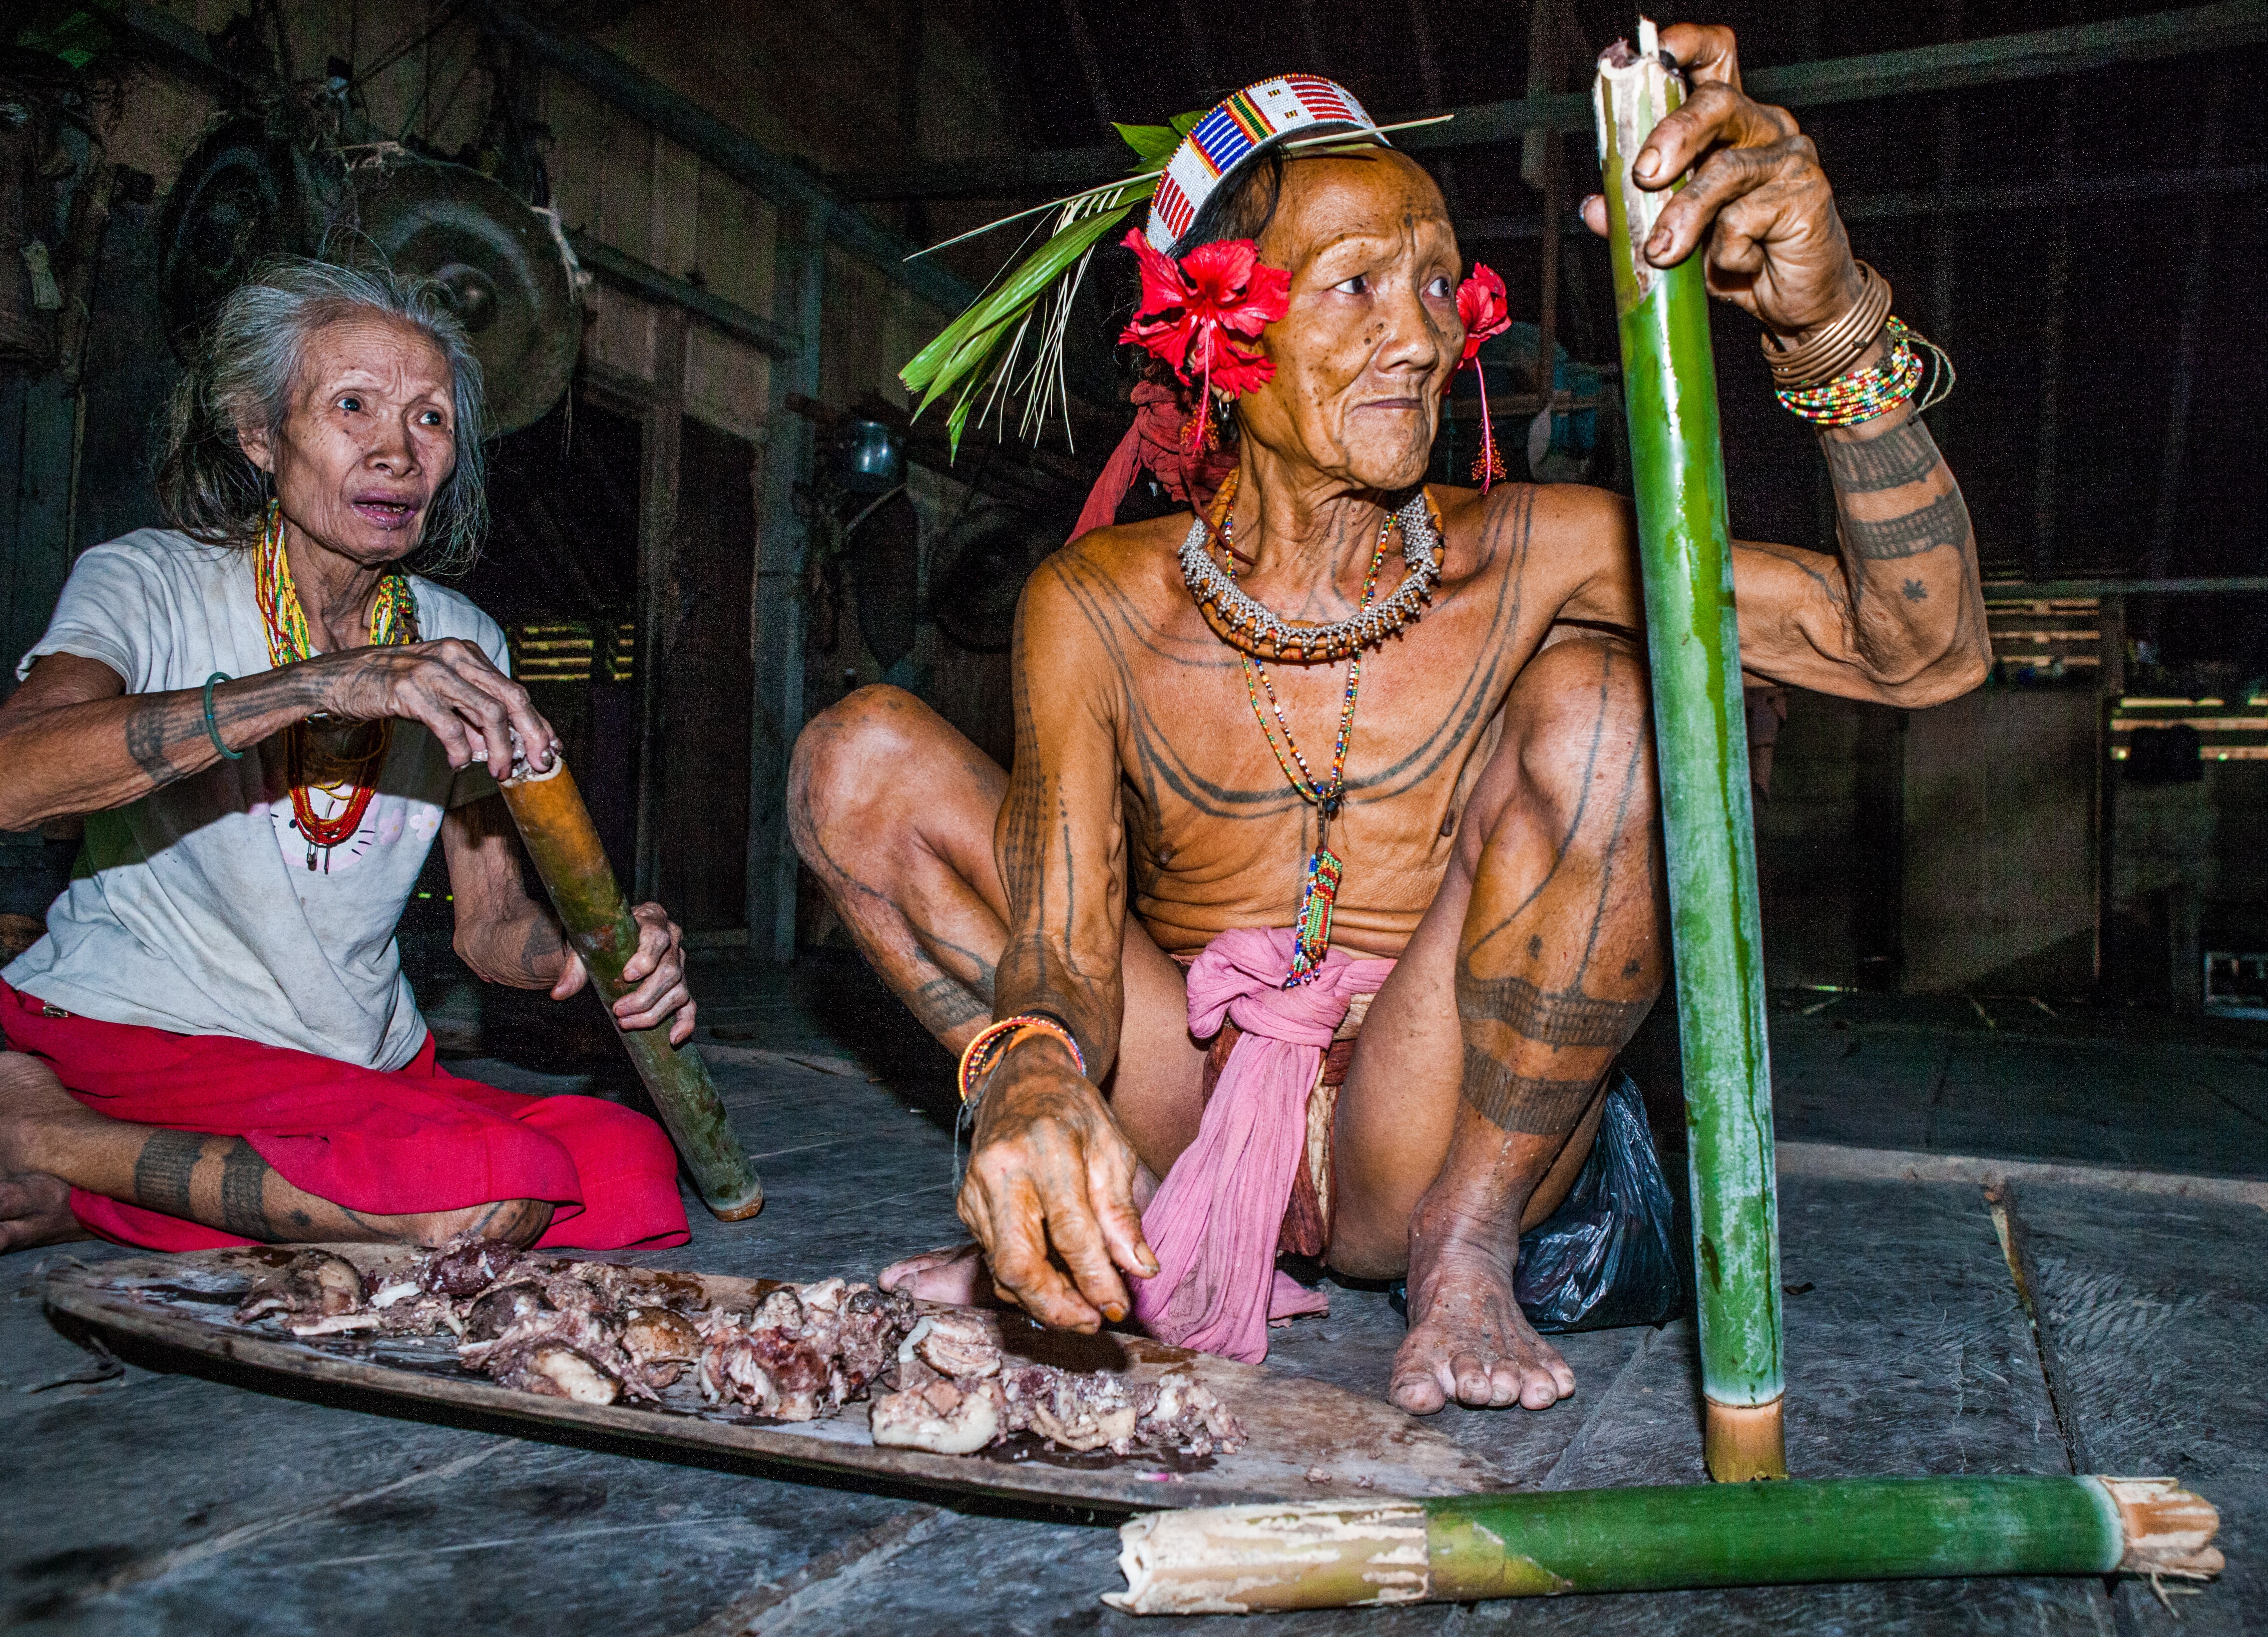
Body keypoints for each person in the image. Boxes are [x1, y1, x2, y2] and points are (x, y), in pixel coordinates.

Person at [794, 29, 1989, 1415]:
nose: (1420, 333)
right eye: (1354, 283)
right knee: (856, 759)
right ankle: (1087, 1198)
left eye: (1435, 282)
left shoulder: (1538, 552)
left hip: (1429, 1123)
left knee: (1616, 706)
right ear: (1217, 334)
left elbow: (1920, 648)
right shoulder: (1096, 602)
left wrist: (1827, 318)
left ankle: (1464, 1251)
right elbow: (1062, 923)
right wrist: (1029, 1078)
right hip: (1179, 1099)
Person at [0, 258, 691, 1259]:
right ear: (262, 435)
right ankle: (23, 1119)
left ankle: (90, 1178)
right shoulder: (150, 579)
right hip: (147, 1029)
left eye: (430, 420)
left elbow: (489, 927)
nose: (395, 450)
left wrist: (587, 956)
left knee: (626, 1170)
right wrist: (314, 688)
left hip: (353, 1059)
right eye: (353, 406)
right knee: (475, 1200)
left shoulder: (460, 637)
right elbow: (3, 783)